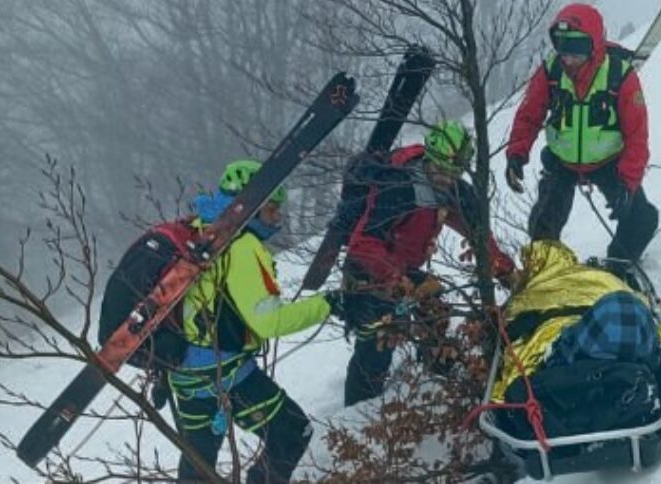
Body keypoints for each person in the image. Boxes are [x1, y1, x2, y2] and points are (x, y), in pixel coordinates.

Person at [170, 160, 348, 483]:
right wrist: (328, 304)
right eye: (271, 210)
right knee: (292, 431)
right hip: (225, 372)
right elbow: (269, 322)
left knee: (198, 467)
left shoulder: (201, 230)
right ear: (250, 207)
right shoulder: (241, 246)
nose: (277, 218)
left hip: (184, 373)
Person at [326, 120, 516, 406]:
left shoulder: (455, 191)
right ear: (429, 158)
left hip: (403, 267)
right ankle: (357, 412)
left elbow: (479, 235)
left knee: (435, 308)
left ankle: (437, 377)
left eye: (453, 173)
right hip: (368, 269)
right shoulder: (398, 186)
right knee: (379, 338)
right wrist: (399, 279)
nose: (445, 178)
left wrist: (504, 270)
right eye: (440, 170)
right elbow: (363, 245)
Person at [504, 3, 660, 270]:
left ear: (594, 45)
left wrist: (628, 183)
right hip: (561, 162)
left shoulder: (619, 75)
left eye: (575, 50)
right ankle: (546, 274)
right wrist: (516, 154)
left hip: (609, 162)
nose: (568, 59)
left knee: (641, 219)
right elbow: (529, 115)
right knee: (543, 225)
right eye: (562, 49)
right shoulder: (550, 72)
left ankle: (616, 267)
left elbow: (637, 136)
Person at [490, 240, 661, 438]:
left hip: (565, 330)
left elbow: (515, 324)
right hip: (598, 311)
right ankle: (625, 368)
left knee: (611, 316)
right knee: (622, 308)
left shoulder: (531, 288)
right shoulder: (598, 275)